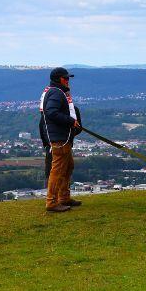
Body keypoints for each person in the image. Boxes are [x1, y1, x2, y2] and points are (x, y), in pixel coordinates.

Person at [39, 67, 83, 212]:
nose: (68, 81)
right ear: (59, 79)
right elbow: (51, 112)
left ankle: (64, 197)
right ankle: (51, 202)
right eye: (66, 78)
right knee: (57, 170)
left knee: (68, 166)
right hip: (58, 138)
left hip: (62, 137)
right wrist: (70, 121)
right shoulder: (56, 93)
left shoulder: (54, 92)